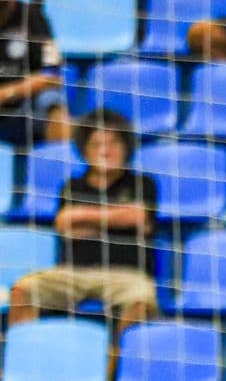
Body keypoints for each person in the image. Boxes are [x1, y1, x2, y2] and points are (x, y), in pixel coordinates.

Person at [9, 110, 157, 354]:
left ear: (126, 148)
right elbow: (65, 225)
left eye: (113, 143)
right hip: (72, 273)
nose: (105, 151)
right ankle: (22, 363)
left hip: (125, 275)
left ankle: (116, 375)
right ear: (85, 150)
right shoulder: (71, 186)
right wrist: (117, 217)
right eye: (97, 144)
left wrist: (84, 218)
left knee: (141, 299)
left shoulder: (143, 184)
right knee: (23, 289)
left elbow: (139, 216)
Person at [0, 0, 64, 148]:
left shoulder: (33, 16)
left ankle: (58, 164)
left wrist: (7, 93)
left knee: (52, 103)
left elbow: (53, 74)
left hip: (24, 105)